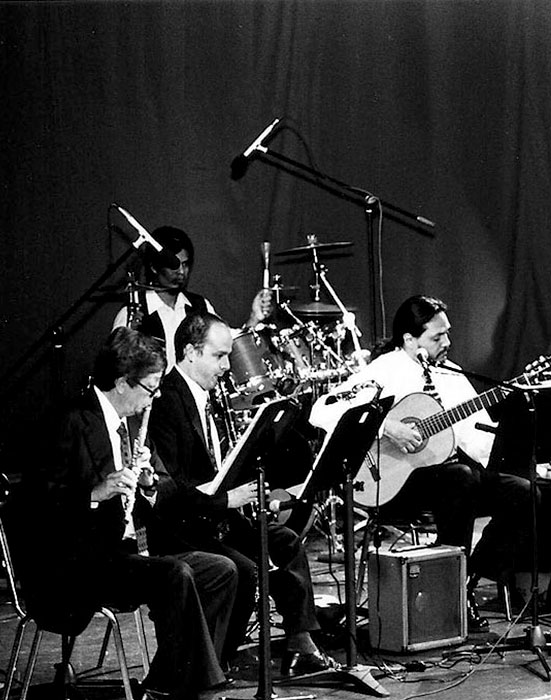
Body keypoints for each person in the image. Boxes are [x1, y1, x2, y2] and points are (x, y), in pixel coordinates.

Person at [17, 327, 238, 699]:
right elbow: (34, 503)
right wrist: (94, 493)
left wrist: (148, 484)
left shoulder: (133, 423)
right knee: (176, 575)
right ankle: (193, 688)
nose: (155, 397)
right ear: (122, 383)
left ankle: (166, 683)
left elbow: (158, 492)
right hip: (77, 561)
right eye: (150, 388)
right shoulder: (70, 420)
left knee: (221, 570)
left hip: (124, 552)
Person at [311, 295, 537, 630]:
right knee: (460, 478)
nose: (447, 343)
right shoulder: (384, 370)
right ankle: (451, 592)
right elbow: (323, 409)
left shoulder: (451, 375)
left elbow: (479, 440)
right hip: (393, 486)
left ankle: (464, 581)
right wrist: (388, 426)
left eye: (447, 334)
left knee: (524, 493)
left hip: (455, 483)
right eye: (437, 337)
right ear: (409, 339)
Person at [147, 311, 334, 677]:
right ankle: (213, 662)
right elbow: (172, 488)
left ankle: (299, 642)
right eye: (219, 356)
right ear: (190, 352)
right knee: (245, 570)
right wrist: (227, 500)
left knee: (285, 542)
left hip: (216, 516)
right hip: (185, 527)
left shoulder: (208, 395)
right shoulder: (166, 400)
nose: (225, 367)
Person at [112, 225, 272, 368]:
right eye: (174, 266)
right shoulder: (133, 312)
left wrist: (254, 318)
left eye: (186, 264)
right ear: (154, 267)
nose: (182, 272)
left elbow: (230, 345)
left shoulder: (199, 306)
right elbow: (117, 366)